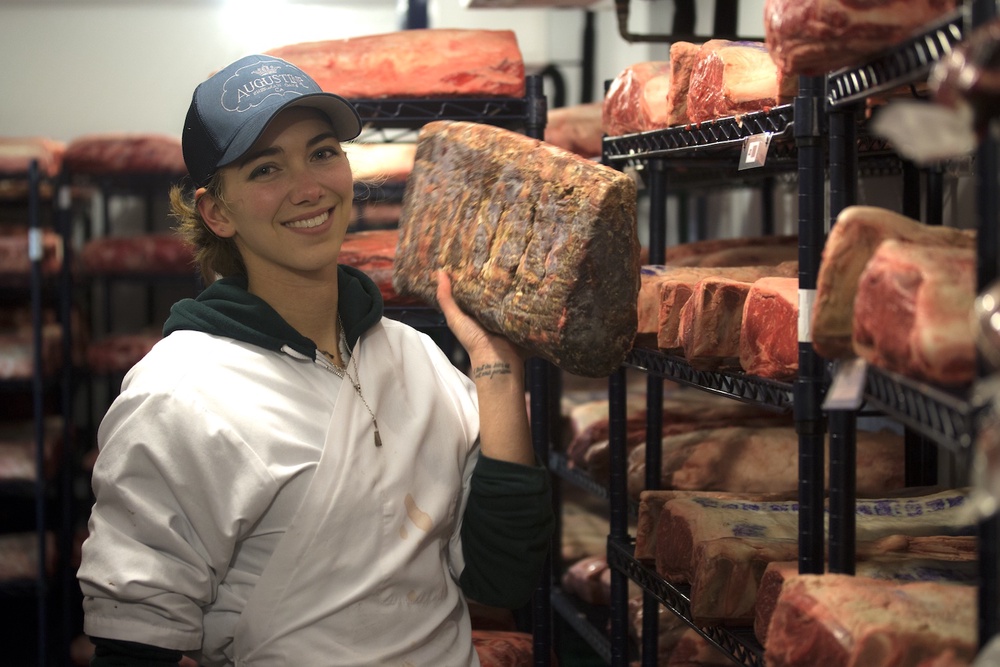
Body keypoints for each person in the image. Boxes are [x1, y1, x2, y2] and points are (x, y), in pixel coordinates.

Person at [77, 54, 554, 666]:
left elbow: (501, 577)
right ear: (217, 212)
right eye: (266, 168)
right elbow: (133, 637)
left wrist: (497, 365)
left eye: (323, 152)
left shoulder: (416, 357)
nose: (309, 188)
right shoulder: (179, 392)